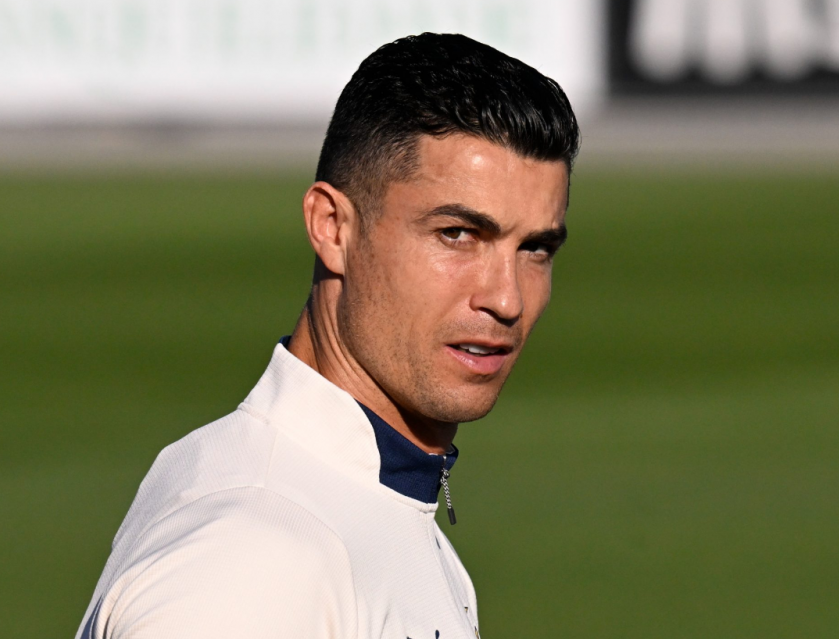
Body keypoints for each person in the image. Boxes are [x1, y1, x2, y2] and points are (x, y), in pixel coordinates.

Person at [76, 32, 579, 639]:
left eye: (536, 249)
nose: (506, 299)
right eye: (457, 234)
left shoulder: (349, 501)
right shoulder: (255, 555)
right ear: (332, 227)